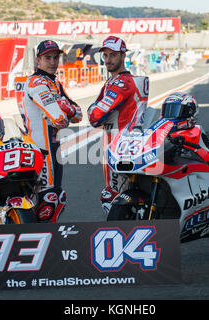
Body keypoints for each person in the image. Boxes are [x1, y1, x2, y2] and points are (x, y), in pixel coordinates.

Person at [18, 39, 82, 222]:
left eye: (56, 57)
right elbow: (60, 120)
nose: (53, 62)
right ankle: (38, 241)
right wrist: (64, 109)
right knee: (49, 199)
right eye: (48, 58)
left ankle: (43, 238)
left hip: (53, 148)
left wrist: (65, 108)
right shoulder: (36, 82)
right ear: (38, 59)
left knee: (54, 197)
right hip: (40, 149)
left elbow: (78, 114)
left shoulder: (54, 83)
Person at [87, 36, 149, 214]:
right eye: (105, 55)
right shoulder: (114, 81)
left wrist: (93, 108)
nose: (108, 60)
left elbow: (94, 116)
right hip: (120, 145)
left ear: (123, 55)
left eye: (113, 55)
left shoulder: (121, 83)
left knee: (115, 198)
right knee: (121, 198)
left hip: (120, 147)